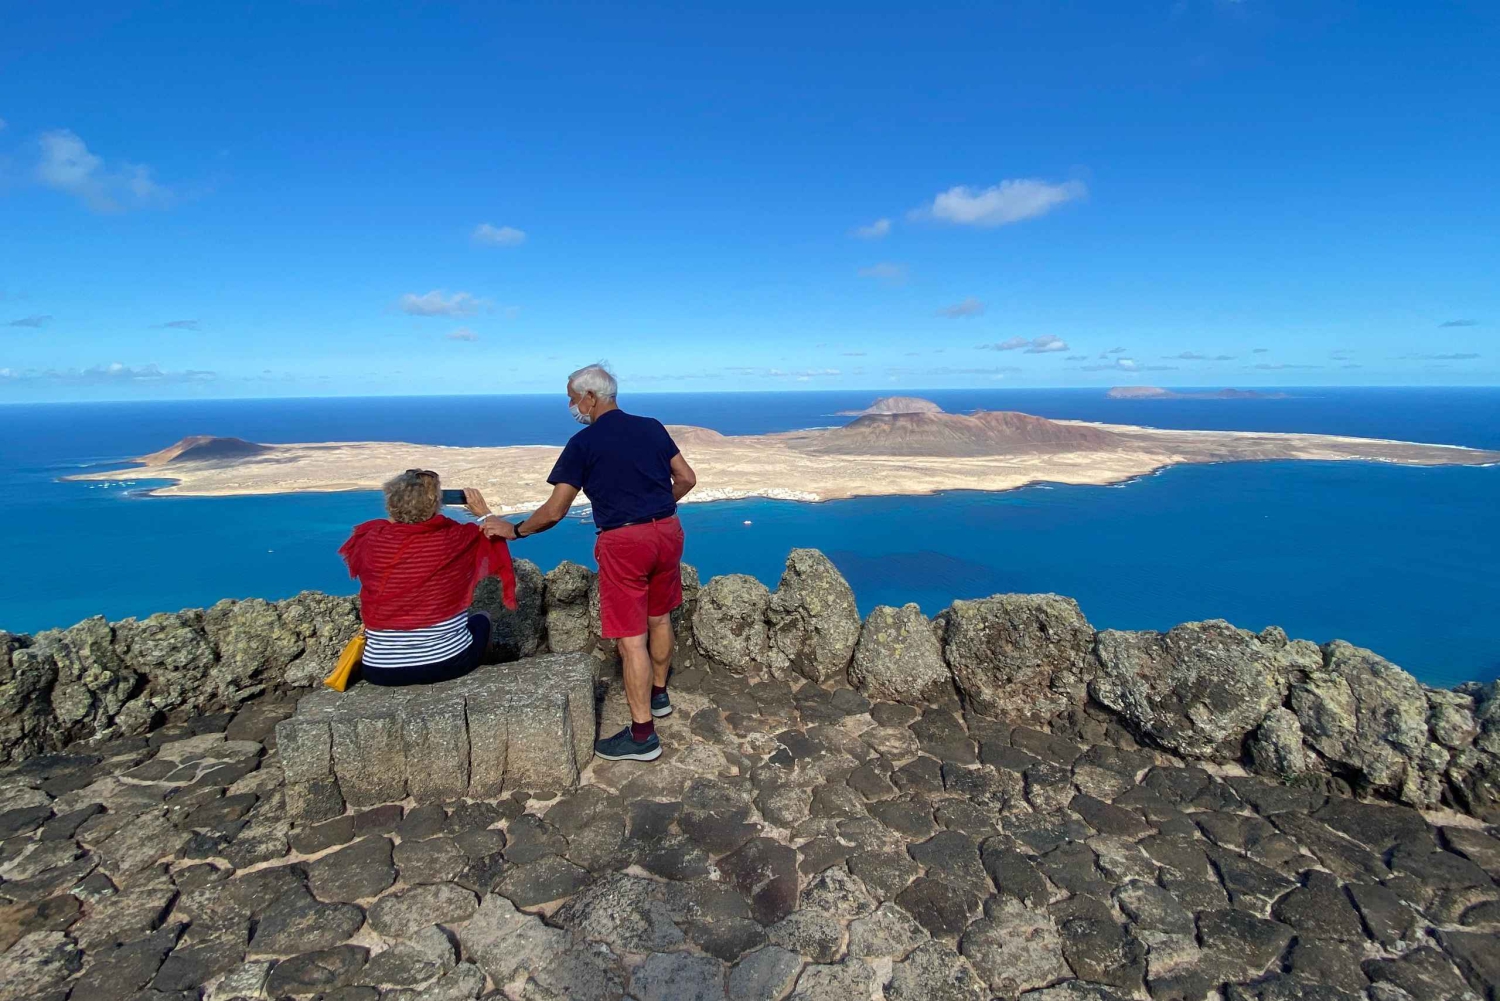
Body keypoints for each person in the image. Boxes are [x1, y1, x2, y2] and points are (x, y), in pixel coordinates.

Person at [485, 363, 696, 762]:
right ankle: (660, 696)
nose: (571, 405)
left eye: (571, 396)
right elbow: (686, 477)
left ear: (591, 396)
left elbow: (554, 511)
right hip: (667, 531)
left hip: (624, 542)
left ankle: (642, 736)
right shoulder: (651, 426)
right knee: (661, 617)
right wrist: (657, 509)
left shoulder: (582, 443)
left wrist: (514, 531)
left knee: (631, 640)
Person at [340, 469, 516, 686]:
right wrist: (483, 512)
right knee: (482, 619)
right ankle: (479, 677)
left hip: (379, 669)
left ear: (391, 503)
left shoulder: (370, 539)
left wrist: (399, 516)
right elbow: (494, 535)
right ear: (436, 505)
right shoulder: (457, 538)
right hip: (448, 662)